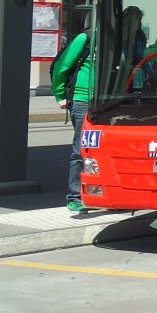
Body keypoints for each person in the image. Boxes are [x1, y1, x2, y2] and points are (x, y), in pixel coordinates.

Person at [52, 24, 95, 214]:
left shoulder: (119, 41)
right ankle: (75, 196)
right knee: (80, 149)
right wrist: (59, 95)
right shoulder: (85, 38)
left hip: (104, 100)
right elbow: (63, 66)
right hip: (82, 100)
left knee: (97, 150)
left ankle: (94, 192)